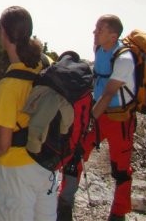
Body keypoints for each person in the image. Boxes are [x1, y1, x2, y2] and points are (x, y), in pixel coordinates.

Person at [57, 15, 136, 221]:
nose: (94, 33)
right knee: (75, 155)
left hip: (120, 120)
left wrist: (89, 119)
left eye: (99, 30)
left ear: (113, 35)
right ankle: (64, 204)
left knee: (121, 169)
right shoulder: (100, 48)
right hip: (100, 114)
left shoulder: (124, 59)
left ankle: (118, 213)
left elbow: (109, 92)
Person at [0, 6, 58, 221]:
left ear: (3, 33)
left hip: (17, 168)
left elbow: (3, 143)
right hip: (47, 160)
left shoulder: (9, 85)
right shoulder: (47, 64)